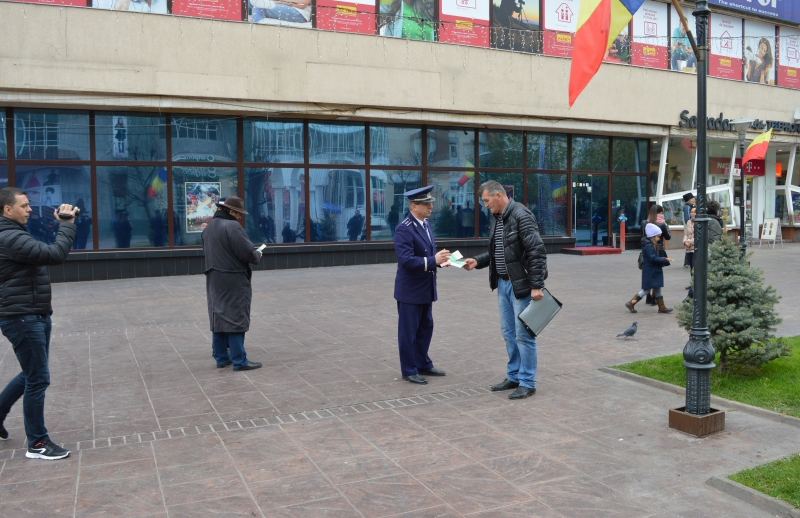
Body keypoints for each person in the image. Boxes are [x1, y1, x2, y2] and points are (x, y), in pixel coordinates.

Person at [0, 187, 77, 460]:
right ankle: (37, 443)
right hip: (22, 316)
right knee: (37, 378)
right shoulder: (9, 237)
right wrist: (67, 224)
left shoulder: (15, 233)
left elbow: (43, 252)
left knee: (31, 373)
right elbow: (55, 254)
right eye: (24, 205)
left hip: (32, 312)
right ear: (7, 209)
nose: (29, 209)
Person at [463, 180, 547, 400]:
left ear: (498, 196)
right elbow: (498, 252)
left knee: (524, 335)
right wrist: (477, 261)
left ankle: (527, 382)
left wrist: (536, 285)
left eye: (486, 200)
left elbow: (537, 251)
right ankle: (514, 376)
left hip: (521, 286)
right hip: (503, 284)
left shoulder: (521, 215)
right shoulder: (496, 218)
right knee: (508, 333)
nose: (485, 205)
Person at [393, 186, 450, 384]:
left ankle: (422, 363)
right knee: (408, 332)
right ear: (413, 206)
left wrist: (442, 261)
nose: (430, 207)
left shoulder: (425, 224)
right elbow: (406, 260)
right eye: (426, 204)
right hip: (410, 291)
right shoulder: (404, 228)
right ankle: (409, 370)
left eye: (430, 203)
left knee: (426, 328)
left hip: (426, 288)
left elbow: (428, 255)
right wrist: (433, 260)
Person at [201, 196, 263, 371]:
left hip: (214, 278)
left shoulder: (209, 227)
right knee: (236, 316)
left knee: (219, 316)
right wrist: (257, 254)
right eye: (238, 213)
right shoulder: (232, 226)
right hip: (233, 279)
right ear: (231, 211)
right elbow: (246, 252)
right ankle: (239, 360)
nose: (240, 216)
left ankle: (221, 358)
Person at [626, 223, 674, 314]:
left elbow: (654, 257)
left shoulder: (650, 244)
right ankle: (631, 302)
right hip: (651, 270)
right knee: (646, 290)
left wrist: (663, 259)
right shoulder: (648, 246)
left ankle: (662, 307)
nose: (659, 238)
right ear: (653, 236)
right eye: (658, 236)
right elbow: (653, 258)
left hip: (653, 270)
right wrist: (664, 259)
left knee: (658, 288)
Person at [641, 205, 670, 305]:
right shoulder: (662, 224)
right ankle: (654, 299)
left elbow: (642, 236)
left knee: (649, 274)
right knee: (656, 274)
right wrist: (666, 226)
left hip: (646, 249)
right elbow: (668, 237)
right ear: (660, 213)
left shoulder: (644, 222)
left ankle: (648, 298)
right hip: (658, 249)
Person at [683, 205, 696, 302]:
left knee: (695, 269)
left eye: (695, 212)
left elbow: (698, 236)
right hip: (688, 249)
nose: (693, 213)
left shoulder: (699, 222)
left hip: (695, 249)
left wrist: (690, 242)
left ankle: (693, 289)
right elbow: (686, 234)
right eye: (691, 212)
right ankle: (692, 285)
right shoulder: (689, 222)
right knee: (691, 269)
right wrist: (685, 242)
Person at [682, 193, 695, 268]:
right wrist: (690, 224)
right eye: (693, 198)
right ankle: (687, 262)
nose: (694, 199)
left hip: (690, 227)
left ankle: (687, 261)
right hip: (689, 227)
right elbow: (687, 219)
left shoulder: (690, 206)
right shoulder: (687, 207)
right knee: (689, 243)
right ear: (689, 200)